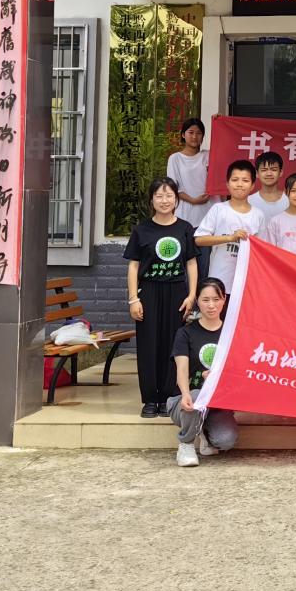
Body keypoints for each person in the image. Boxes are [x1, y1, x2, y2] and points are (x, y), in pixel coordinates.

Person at [124, 176, 198, 418]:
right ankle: (150, 399)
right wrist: (133, 299)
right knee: (148, 345)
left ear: (176, 200)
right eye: (159, 196)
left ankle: (168, 397)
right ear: (151, 200)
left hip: (177, 292)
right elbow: (134, 266)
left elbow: (191, 263)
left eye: (169, 196)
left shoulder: (185, 228)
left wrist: (192, 295)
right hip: (149, 292)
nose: (164, 200)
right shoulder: (141, 230)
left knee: (173, 344)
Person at [168, 277, 238, 467]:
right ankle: (186, 444)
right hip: (186, 403)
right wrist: (185, 393)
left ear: (224, 300)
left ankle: (205, 434)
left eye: (216, 299)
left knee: (226, 440)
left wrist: (217, 379)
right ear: (197, 301)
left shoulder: (232, 333)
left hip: (216, 404)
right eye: (205, 300)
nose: (211, 305)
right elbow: (182, 369)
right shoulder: (185, 333)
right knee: (197, 396)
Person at [193, 160, 267, 295]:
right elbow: (199, 239)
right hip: (218, 281)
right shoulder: (218, 209)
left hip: (246, 282)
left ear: (252, 185)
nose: (239, 184)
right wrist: (230, 238)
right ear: (227, 184)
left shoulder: (258, 215)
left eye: (245, 180)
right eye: (235, 180)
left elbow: (262, 251)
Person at [166, 117, 215, 281]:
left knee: (205, 265)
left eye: (199, 133)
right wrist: (193, 200)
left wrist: (218, 122)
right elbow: (173, 187)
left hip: (207, 220)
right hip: (185, 218)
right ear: (183, 135)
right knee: (185, 264)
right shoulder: (175, 158)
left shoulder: (209, 156)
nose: (194, 136)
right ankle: (188, 297)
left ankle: (202, 297)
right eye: (191, 132)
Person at [250, 150, 289, 222]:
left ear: (281, 172)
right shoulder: (249, 201)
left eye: (273, 169)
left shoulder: (290, 200)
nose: (269, 174)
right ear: (257, 173)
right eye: (264, 170)